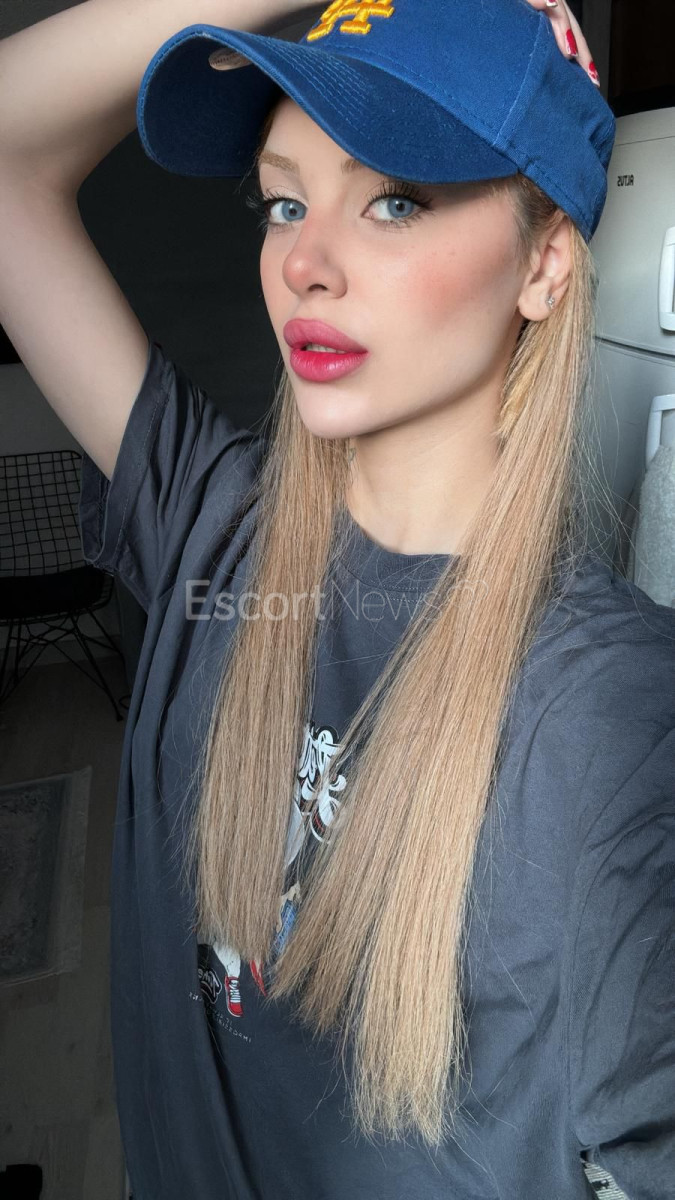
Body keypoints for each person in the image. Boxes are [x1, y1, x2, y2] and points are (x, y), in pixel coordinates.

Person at [0, 2, 672, 1198]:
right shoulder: (216, 533)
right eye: (283, 202)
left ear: (543, 266)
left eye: (394, 201)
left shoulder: (616, 719)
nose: (303, 264)